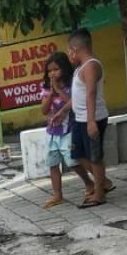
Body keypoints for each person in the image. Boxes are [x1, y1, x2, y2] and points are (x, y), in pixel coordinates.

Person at [65, 28, 112, 208]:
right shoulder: (79, 69)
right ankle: (104, 182)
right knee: (77, 155)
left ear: (75, 49)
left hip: (93, 119)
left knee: (95, 157)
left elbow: (91, 92)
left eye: (70, 50)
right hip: (79, 119)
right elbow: (78, 96)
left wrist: (91, 121)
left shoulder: (92, 65)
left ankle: (99, 193)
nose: (69, 54)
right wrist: (62, 111)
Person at [39, 53, 92, 208]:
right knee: (53, 162)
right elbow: (44, 109)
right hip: (52, 132)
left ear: (64, 69)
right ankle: (57, 194)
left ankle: (89, 183)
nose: (53, 73)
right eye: (49, 71)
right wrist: (51, 93)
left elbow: (73, 103)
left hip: (68, 129)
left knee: (72, 161)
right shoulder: (45, 88)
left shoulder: (71, 85)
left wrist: (59, 90)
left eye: (56, 69)